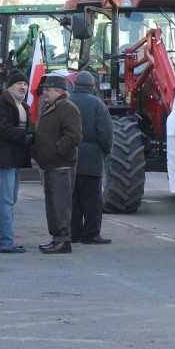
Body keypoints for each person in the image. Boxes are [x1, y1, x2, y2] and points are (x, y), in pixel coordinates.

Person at [0, 70, 34, 254]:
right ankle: (5, 243)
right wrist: (23, 137)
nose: (23, 87)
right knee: (4, 203)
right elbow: (0, 128)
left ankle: (5, 241)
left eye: (25, 84)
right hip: (3, 161)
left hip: (14, 161)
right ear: (9, 86)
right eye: (19, 84)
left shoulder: (20, 105)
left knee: (9, 201)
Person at [33, 74, 82, 254]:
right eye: (45, 89)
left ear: (59, 91)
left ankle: (63, 241)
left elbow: (74, 135)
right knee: (53, 205)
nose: (45, 92)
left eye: (48, 89)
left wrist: (56, 150)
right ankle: (56, 239)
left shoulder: (67, 108)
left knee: (61, 205)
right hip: (49, 165)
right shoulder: (51, 107)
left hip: (61, 165)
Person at [69, 71, 113, 245]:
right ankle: (91, 234)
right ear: (92, 86)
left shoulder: (67, 102)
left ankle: (74, 233)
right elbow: (105, 133)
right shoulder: (98, 104)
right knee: (92, 200)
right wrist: (105, 151)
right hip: (92, 159)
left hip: (70, 157)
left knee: (74, 199)